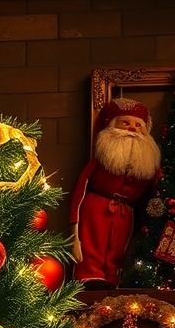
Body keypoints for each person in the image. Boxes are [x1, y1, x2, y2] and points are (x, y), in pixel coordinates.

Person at [69, 98, 161, 289]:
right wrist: (74, 230)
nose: (132, 129)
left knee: (117, 248)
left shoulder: (147, 164)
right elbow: (80, 190)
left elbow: (151, 193)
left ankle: (112, 277)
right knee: (92, 242)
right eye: (126, 123)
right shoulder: (100, 160)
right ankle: (90, 276)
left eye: (138, 125)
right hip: (96, 208)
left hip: (126, 213)